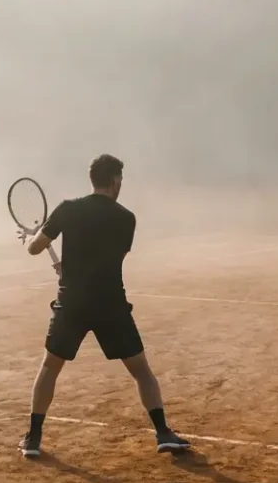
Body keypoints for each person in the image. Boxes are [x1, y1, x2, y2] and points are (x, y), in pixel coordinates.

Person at [17, 154, 190, 458]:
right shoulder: (126, 218)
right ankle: (163, 433)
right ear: (114, 181)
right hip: (110, 302)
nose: (121, 185)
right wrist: (72, 266)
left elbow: (34, 249)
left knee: (49, 367)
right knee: (141, 371)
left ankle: (33, 438)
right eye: (120, 180)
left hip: (72, 302)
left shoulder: (67, 209)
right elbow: (109, 258)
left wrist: (45, 244)